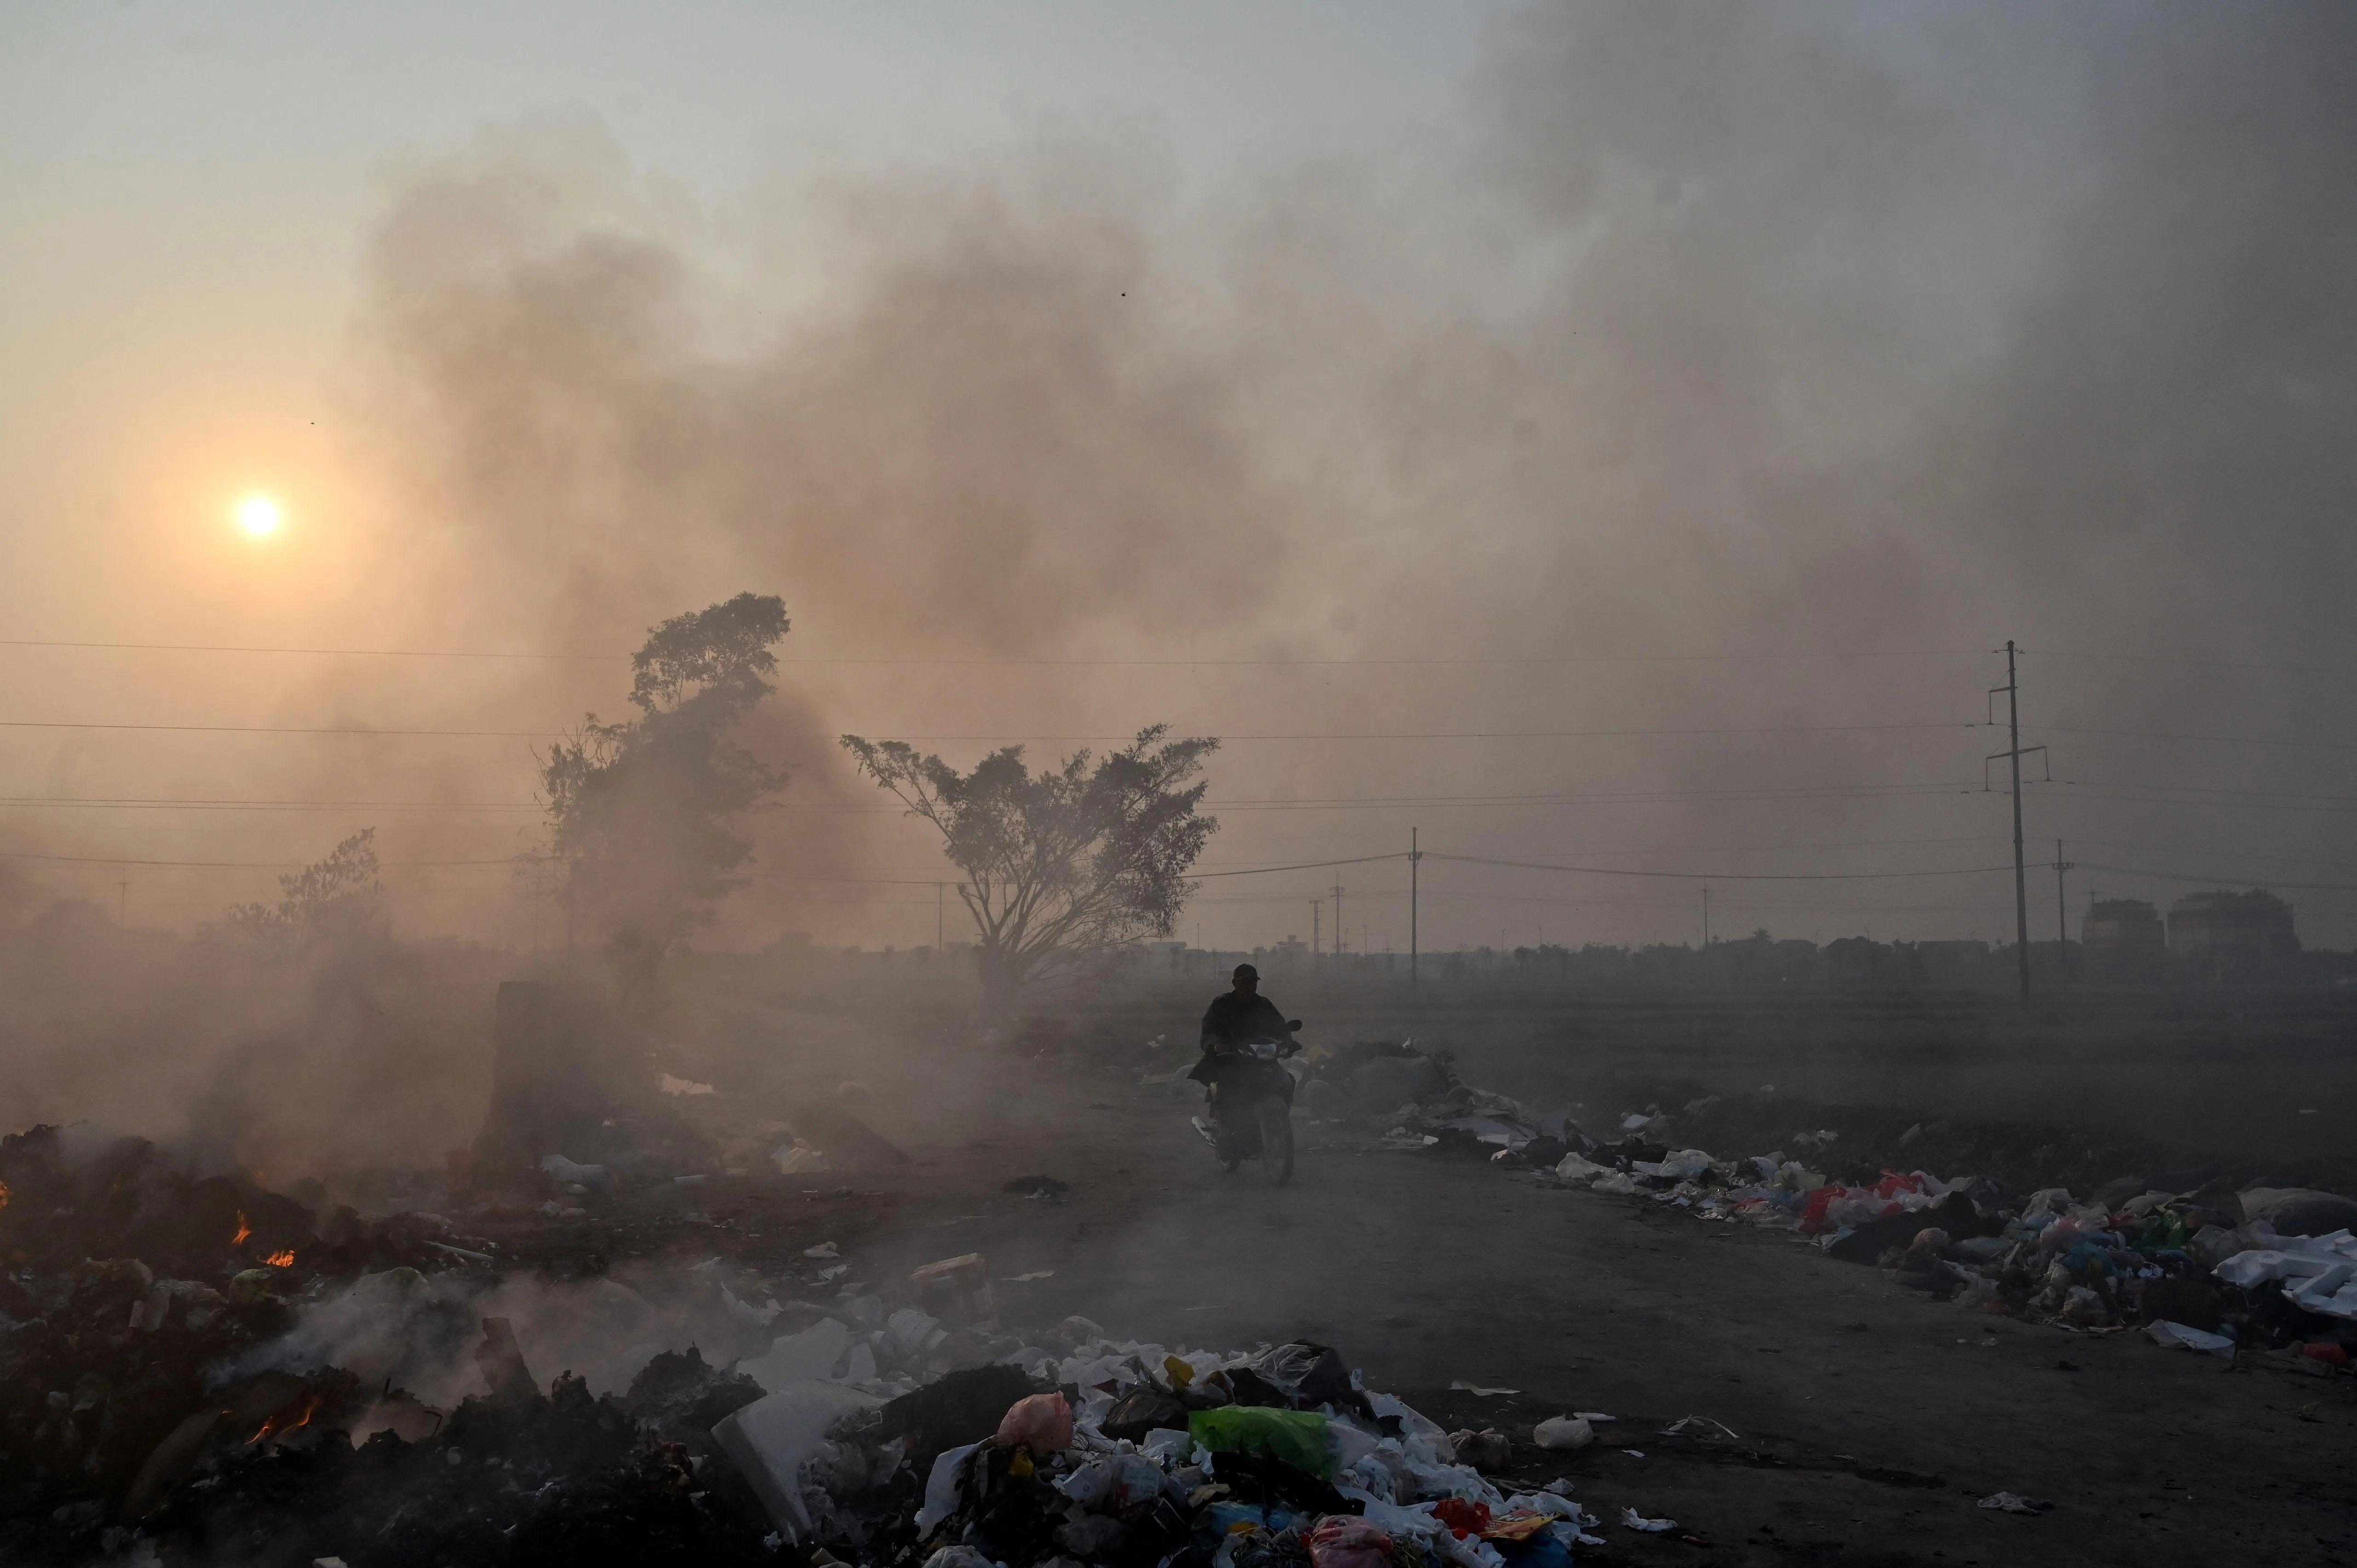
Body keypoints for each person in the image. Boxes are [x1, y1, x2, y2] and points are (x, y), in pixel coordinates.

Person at [1188, 964, 1296, 1127]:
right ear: (1235, 984)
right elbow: (1208, 1030)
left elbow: (1279, 1026)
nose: (1250, 987)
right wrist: (1217, 1045)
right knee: (1228, 1088)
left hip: (1260, 1057)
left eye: (1253, 982)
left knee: (1288, 1080)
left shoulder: (1264, 1005)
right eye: (1245, 982)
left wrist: (1288, 1041)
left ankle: (1279, 1120)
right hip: (1231, 1058)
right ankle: (1226, 1130)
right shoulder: (1222, 1005)